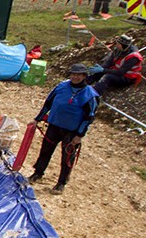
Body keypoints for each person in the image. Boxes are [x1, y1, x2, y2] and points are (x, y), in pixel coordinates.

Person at [28, 64, 99, 195]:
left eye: (79, 75)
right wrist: (37, 119)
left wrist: (79, 135)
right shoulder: (61, 87)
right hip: (54, 126)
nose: (75, 77)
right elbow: (48, 104)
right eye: (73, 74)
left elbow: (89, 117)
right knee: (45, 150)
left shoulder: (90, 95)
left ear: (84, 76)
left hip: (72, 131)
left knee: (67, 158)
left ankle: (61, 182)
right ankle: (38, 173)